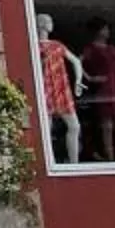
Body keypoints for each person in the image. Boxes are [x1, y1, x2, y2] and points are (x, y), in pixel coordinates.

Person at [79, 19, 115, 163]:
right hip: (105, 89)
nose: (107, 32)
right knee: (107, 128)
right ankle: (110, 160)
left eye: (107, 29)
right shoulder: (91, 48)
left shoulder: (112, 48)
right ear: (97, 31)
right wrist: (90, 78)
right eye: (104, 29)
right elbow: (77, 61)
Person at [36, 14, 81, 165]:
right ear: (41, 24)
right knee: (46, 128)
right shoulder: (35, 46)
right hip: (45, 87)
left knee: (74, 126)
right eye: (48, 21)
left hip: (61, 88)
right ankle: (50, 161)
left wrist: (78, 81)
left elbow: (75, 61)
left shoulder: (56, 45)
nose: (51, 24)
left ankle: (74, 163)